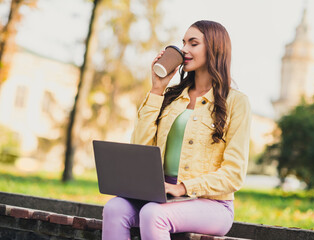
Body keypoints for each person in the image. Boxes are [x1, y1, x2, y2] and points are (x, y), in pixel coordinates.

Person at [102, 20, 251, 240]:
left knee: (154, 214)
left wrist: (183, 187)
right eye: (183, 43)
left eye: (193, 43)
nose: (184, 50)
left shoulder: (236, 102)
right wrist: (156, 89)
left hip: (212, 204)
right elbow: (140, 148)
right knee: (115, 208)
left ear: (215, 49)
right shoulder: (170, 97)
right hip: (162, 195)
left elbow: (234, 174)